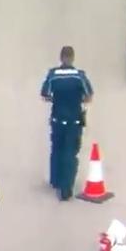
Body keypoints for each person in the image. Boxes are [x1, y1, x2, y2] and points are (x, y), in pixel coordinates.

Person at [40, 46, 94, 201]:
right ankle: (66, 188)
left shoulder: (53, 75)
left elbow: (44, 94)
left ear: (61, 58)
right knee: (70, 152)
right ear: (72, 58)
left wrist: (56, 99)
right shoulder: (79, 76)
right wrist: (79, 100)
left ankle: (55, 180)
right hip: (74, 120)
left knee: (56, 148)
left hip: (57, 119)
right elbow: (89, 95)